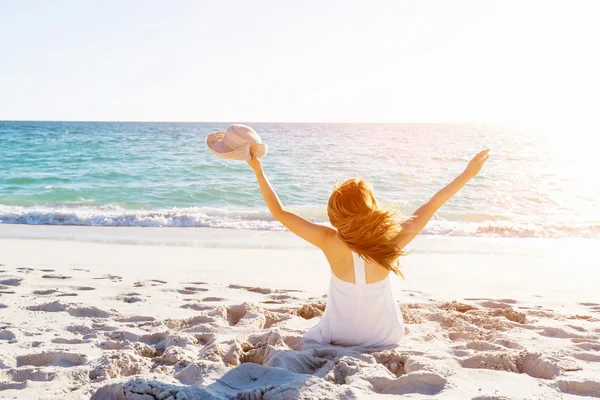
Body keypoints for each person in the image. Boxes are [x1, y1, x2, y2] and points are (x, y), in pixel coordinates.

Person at [247, 148, 490, 347]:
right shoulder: (391, 241)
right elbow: (434, 203)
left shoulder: (328, 240)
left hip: (337, 335)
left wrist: (258, 170)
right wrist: (468, 174)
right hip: (383, 337)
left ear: (334, 214)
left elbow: (279, 213)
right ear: (371, 209)